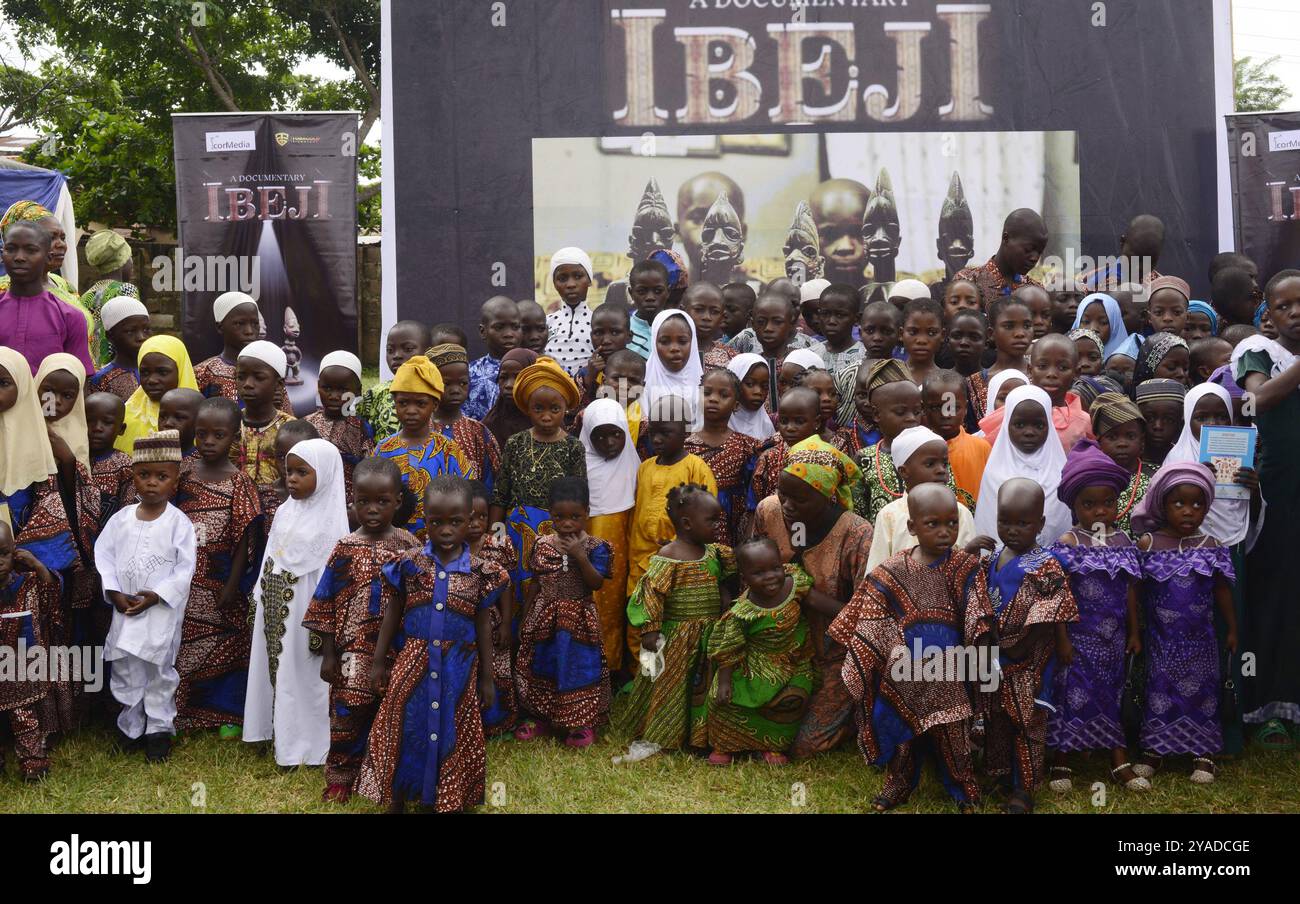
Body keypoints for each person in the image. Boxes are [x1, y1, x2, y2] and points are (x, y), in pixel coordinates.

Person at [829, 483, 994, 812]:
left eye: (952, 523)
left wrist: (981, 649)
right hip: (904, 670)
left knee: (954, 737)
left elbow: (978, 613)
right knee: (902, 735)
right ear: (912, 527)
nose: (945, 532)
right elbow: (870, 616)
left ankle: (964, 789)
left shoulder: (965, 568)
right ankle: (900, 782)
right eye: (933, 524)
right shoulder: (891, 571)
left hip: (950, 670)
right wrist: (874, 654)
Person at [357, 475, 508, 813]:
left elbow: (483, 623)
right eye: (436, 521)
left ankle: (440, 795)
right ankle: (398, 795)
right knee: (405, 723)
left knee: (451, 727)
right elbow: (392, 613)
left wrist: (486, 676)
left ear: (470, 520)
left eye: (455, 521)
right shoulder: (409, 565)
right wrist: (379, 661)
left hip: (459, 667)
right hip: (413, 662)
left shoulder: (481, 573)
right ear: (425, 520)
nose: (445, 529)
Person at [303, 457, 418, 802]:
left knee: (393, 710)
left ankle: (386, 773)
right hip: (350, 650)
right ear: (352, 499)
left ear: (398, 501)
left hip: (397, 647)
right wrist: (327, 655)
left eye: (382, 502)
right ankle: (341, 775)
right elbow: (324, 600)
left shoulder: (409, 546)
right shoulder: (345, 547)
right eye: (363, 501)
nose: (372, 509)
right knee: (347, 711)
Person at [750, 435, 872, 758]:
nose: (787, 506)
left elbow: (866, 616)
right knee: (753, 723)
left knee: (803, 745)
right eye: (783, 494)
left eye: (800, 500)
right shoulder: (769, 512)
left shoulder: (856, 534)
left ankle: (856, 717)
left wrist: (808, 598)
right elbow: (747, 576)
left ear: (828, 496)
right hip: (777, 644)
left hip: (834, 654)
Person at [1048, 439, 1147, 794]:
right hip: (1077, 639)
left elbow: (1132, 590)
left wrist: (1135, 632)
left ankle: (1117, 756)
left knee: (1111, 693)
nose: (1100, 512)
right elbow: (1056, 595)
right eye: (1090, 505)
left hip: (1114, 638)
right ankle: (1062, 756)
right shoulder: (1069, 542)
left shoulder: (1123, 542)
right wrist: (1060, 638)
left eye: (1108, 503)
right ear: (1074, 505)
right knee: (1071, 694)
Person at [244, 439, 350, 766]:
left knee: (304, 677)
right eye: (289, 471)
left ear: (328, 475)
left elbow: (330, 581)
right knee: (276, 670)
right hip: (275, 605)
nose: (292, 479)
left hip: (307, 614)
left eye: (303, 472)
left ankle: (305, 746)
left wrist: (323, 624)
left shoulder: (331, 525)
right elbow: (270, 557)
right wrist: (259, 597)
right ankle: (274, 732)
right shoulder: (285, 512)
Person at [94, 430, 198, 763]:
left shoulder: (179, 523)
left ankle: (158, 731)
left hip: (160, 613)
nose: (152, 483)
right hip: (125, 610)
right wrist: (114, 592)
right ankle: (130, 727)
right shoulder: (120, 520)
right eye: (144, 475)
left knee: (158, 669)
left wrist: (157, 596)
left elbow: (185, 569)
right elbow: (105, 556)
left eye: (161, 476)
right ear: (133, 477)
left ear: (175, 481)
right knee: (125, 668)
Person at [1131, 463, 1237, 783]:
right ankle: (1155, 750)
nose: (1189, 511)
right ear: (1163, 505)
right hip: (1162, 641)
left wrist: (1232, 628)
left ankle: (1202, 754)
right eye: (1179, 503)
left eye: (1197, 504)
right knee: (1158, 691)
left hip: (1201, 641)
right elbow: (1133, 592)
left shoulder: (1212, 548)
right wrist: (1134, 632)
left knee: (1203, 694)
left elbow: (1221, 591)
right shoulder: (1148, 544)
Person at [1232, 269, 1300, 749]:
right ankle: (1271, 708)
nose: (1295, 312)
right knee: (1278, 597)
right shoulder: (1258, 353)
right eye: (1284, 306)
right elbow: (1256, 401)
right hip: (1279, 495)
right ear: (1268, 314)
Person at [981, 478, 1079, 813]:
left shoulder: (1045, 563)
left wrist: (1062, 643)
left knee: (1027, 721)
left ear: (1039, 523)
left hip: (1028, 659)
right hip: (995, 660)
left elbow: (1057, 608)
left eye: (1023, 523)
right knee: (997, 719)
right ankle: (998, 774)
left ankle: (1025, 787)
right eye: (1004, 521)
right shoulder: (993, 558)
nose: (1012, 530)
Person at [619, 484, 735, 752]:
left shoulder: (714, 552)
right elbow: (651, 593)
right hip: (676, 638)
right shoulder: (669, 556)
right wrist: (650, 628)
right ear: (687, 523)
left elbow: (733, 570)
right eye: (711, 520)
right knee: (672, 686)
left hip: (708, 633)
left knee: (700, 685)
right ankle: (667, 733)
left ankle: (699, 735)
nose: (718, 525)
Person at [173, 397, 263, 736]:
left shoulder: (239, 482)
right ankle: (184, 711)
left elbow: (244, 539)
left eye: (218, 435)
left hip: (222, 575)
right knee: (184, 644)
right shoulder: (183, 472)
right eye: (201, 434)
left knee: (228, 645)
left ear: (234, 437)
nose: (208, 442)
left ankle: (227, 715)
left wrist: (232, 584)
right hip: (186, 575)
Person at [514, 477, 611, 746]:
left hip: (579, 617)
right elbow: (536, 580)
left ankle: (581, 723)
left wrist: (580, 556)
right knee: (543, 664)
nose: (567, 523)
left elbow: (596, 583)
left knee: (578, 667)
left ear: (587, 513)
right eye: (559, 517)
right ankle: (541, 718)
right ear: (550, 514)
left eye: (575, 517)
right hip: (545, 614)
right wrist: (526, 616)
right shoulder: (542, 544)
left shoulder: (596, 547)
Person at [702, 538, 818, 765]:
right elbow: (728, 647)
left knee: (791, 699)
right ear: (745, 578)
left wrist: (853, 614)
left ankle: (771, 745)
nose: (771, 577)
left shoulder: (795, 585)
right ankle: (725, 745)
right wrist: (725, 681)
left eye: (775, 568)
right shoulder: (743, 612)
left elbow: (821, 603)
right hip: (752, 663)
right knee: (727, 700)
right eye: (759, 573)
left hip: (791, 661)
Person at [489, 356, 585, 596]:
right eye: (538, 409)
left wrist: (574, 537)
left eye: (555, 409)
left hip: (557, 532)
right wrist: (497, 537)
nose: (546, 416)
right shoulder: (516, 443)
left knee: (549, 590)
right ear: (527, 409)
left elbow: (580, 497)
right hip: (516, 531)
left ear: (565, 409)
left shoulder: (573, 447)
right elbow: (501, 494)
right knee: (515, 589)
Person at [627, 395, 718, 606]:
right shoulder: (645, 467)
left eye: (665, 433)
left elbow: (709, 517)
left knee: (673, 614)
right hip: (640, 559)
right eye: (652, 433)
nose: (657, 440)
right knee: (640, 615)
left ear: (685, 432)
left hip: (680, 559)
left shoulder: (696, 467)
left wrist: (683, 543)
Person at [578, 399, 639, 679]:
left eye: (616, 434)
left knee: (614, 607)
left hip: (623, 552)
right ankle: (588, 669)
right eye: (599, 436)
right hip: (584, 554)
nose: (610, 442)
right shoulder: (579, 466)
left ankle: (612, 667)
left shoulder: (635, 466)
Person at [865, 425, 980, 573]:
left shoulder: (960, 513)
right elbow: (876, 574)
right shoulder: (889, 516)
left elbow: (970, 569)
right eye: (930, 464)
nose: (941, 470)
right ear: (904, 471)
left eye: (944, 463)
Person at [975, 385, 1072, 546]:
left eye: (1039, 425)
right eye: (1019, 425)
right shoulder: (994, 473)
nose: (1029, 432)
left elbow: (1061, 530)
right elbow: (989, 531)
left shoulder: (1060, 474)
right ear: (1007, 425)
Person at [0, 218, 94, 376]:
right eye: (11, 249)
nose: (19, 257)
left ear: (48, 258)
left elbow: (79, 381)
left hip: (48, 401)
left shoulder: (70, 317)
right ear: (2, 255)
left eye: (30, 250)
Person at [0, 519, 55, 780]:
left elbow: (51, 600)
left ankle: (33, 761)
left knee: (25, 719)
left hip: (21, 671)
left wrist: (37, 565)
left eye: (3, 554)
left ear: (14, 553)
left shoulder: (25, 584)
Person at [465, 479, 518, 735]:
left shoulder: (498, 544)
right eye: (470, 518)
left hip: (492, 619)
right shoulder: (452, 546)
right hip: (462, 619)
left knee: (495, 669)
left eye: (483, 517)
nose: (476, 524)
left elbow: (507, 586)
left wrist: (507, 622)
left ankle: (497, 721)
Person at [980, 334, 1092, 452]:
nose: (1051, 374)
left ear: (1076, 373)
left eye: (1063, 368)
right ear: (1030, 370)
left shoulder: (1082, 421)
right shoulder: (1011, 411)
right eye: (1043, 366)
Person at [688, 368, 760, 545]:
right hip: (694, 521)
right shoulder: (685, 444)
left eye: (723, 395)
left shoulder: (747, 446)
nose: (713, 399)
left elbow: (753, 493)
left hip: (733, 524)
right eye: (707, 393)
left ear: (736, 405)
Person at [854, 360, 927, 522]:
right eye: (901, 412)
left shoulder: (931, 452)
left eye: (916, 411)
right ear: (876, 414)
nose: (911, 419)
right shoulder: (865, 459)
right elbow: (859, 515)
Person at [230, 341, 296, 515]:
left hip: (280, 514)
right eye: (241, 376)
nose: (248, 384)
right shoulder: (229, 424)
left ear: (279, 385)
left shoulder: (290, 428)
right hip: (236, 512)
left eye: (258, 377)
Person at [426, 344, 502, 489]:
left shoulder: (478, 432)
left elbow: (490, 483)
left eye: (463, 383)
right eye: (446, 383)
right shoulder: (420, 431)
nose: (456, 390)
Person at [304, 350, 374, 496]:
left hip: (347, 499)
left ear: (358, 391)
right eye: (327, 388)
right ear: (318, 386)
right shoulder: (307, 424)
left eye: (343, 390)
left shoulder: (361, 429)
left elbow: (368, 468)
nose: (334, 396)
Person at [1087, 392, 1156, 537]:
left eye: (1130, 436)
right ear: (1098, 442)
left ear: (1142, 442)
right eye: (1112, 437)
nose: (1122, 444)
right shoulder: (1090, 479)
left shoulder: (1156, 476)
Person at [116, 335, 198, 455]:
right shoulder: (125, 419)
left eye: (162, 372)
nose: (152, 380)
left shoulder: (200, 418)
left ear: (180, 370)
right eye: (145, 372)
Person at [953, 208, 1047, 309]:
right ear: (1006, 238)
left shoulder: (1037, 291)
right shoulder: (968, 282)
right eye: (1028, 249)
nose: (1035, 258)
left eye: (1040, 253)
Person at [356, 320, 432, 441]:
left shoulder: (436, 392)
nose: (396, 355)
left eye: (407, 349)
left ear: (428, 353)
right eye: (390, 350)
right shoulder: (376, 393)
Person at [966, 295, 1034, 431]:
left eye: (1026, 326)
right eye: (1009, 326)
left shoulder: (1042, 377)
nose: (1020, 333)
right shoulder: (972, 383)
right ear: (991, 333)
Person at [923, 368, 990, 502]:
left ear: (965, 409)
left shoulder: (982, 448)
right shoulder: (918, 450)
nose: (946, 414)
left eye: (953, 407)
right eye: (937, 408)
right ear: (923, 408)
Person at [81, 228, 139, 365]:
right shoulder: (127, 290)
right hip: (119, 369)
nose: (132, 264)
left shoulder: (86, 295)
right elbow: (133, 335)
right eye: (130, 258)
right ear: (122, 261)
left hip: (93, 370)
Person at [644, 309, 704, 430]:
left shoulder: (708, 388)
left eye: (682, 342)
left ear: (693, 344)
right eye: (665, 342)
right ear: (654, 344)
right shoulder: (641, 386)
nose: (674, 349)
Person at [464, 296, 521, 422]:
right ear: (483, 331)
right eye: (499, 327)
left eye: (515, 327)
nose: (509, 334)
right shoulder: (469, 373)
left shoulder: (532, 369)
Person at [544, 247, 595, 376]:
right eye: (562, 278)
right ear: (555, 283)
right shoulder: (546, 323)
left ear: (589, 280)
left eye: (578, 276)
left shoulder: (599, 322)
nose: (571, 284)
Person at [90, 296, 150, 401]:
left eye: (146, 330)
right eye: (130, 331)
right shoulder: (102, 380)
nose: (141, 337)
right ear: (110, 336)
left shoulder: (161, 372)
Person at [578, 301, 633, 408]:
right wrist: (589, 378)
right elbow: (572, 410)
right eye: (598, 333)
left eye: (615, 332)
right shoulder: (585, 373)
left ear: (629, 336)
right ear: (591, 336)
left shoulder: (637, 369)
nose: (606, 340)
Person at [481, 346, 537, 448]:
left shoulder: (547, 423)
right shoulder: (490, 425)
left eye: (518, 377)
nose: (509, 385)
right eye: (503, 377)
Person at [86, 392, 133, 506]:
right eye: (89, 421)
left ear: (121, 429)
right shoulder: (73, 459)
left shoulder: (125, 465)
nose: (97, 428)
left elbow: (128, 507)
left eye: (107, 423)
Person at [681, 283, 735, 369]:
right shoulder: (670, 352)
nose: (707, 317)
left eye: (715, 312)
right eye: (699, 310)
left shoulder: (732, 359)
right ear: (683, 311)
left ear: (722, 316)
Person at [1134, 378, 1185, 465]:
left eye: (1169, 420)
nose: (1158, 426)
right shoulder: (1126, 462)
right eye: (1149, 418)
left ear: (1180, 424)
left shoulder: (1186, 462)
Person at [726, 353, 774, 441]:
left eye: (765, 386)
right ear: (733, 384)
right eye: (750, 384)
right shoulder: (717, 423)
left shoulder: (767, 428)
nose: (758, 392)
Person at [898, 297, 945, 387]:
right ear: (901, 334)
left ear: (942, 335)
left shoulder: (947, 382)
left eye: (931, 333)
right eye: (913, 332)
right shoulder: (889, 378)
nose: (921, 340)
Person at [1073, 293, 1131, 360]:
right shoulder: (1067, 355)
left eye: (1103, 322)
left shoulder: (1126, 362)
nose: (1093, 329)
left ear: (1114, 327)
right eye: (1086, 321)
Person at [158, 388, 203, 461]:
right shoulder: (144, 456)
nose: (168, 423)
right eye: (163, 417)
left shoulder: (206, 465)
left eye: (179, 418)